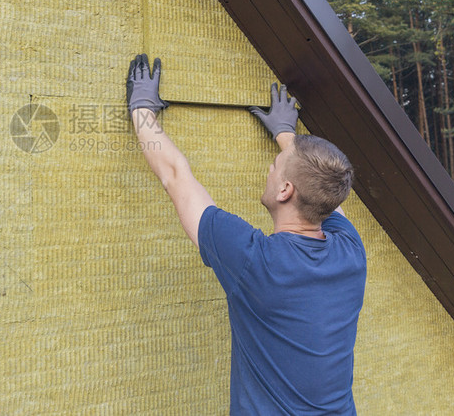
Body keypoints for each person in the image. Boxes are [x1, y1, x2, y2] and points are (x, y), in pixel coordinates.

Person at [127, 53, 366, 415]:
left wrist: (142, 111)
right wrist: (287, 135)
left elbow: (176, 176)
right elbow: (327, 194)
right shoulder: (351, 251)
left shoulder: (256, 261)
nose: (269, 171)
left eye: (274, 168)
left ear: (285, 190)